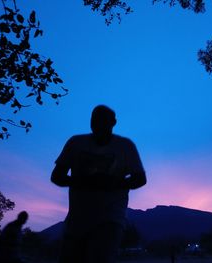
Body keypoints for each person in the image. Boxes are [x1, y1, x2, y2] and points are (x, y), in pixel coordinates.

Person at [51, 105, 147, 263]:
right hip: (77, 218)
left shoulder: (125, 146)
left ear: (113, 122)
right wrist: (85, 182)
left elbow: (140, 179)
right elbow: (56, 176)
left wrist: (114, 183)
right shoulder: (75, 143)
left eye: (102, 120)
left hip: (110, 218)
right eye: (94, 120)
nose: (97, 124)